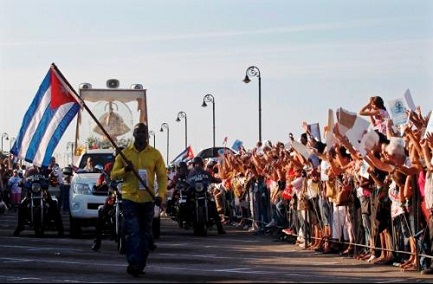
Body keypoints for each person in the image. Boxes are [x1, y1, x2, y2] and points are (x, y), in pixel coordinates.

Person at [110, 122, 167, 277]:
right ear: (133, 135)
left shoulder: (155, 154)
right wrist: (125, 170)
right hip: (129, 198)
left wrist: (160, 195)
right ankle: (134, 263)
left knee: (146, 234)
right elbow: (113, 175)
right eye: (138, 132)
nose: (141, 135)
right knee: (134, 232)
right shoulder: (125, 154)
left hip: (148, 199)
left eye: (143, 132)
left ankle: (140, 264)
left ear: (147, 135)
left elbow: (162, 177)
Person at [187, 156, 226, 235]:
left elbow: (212, 178)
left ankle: (220, 228)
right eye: (196, 164)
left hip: (204, 192)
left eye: (199, 164)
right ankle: (187, 220)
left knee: (213, 205)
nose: (197, 165)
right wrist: (186, 185)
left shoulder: (205, 173)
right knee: (187, 204)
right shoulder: (190, 173)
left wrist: (217, 180)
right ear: (194, 164)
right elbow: (187, 181)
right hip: (195, 193)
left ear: (201, 164)